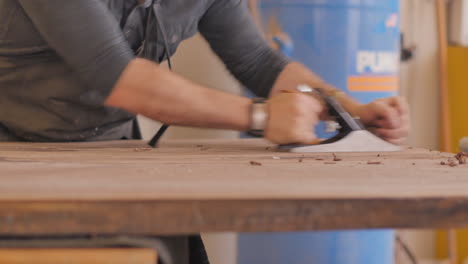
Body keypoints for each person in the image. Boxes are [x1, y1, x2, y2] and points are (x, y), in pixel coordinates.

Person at [0, 0, 410, 263]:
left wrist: (349, 109)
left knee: (178, 250)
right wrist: (260, 117)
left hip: (108, 148)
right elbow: (116, 73)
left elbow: (258, 62)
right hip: (13, 154)